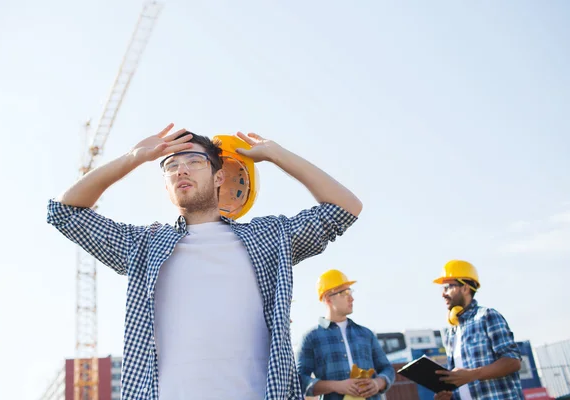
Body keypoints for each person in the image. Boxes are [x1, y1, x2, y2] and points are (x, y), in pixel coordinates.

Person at [46, 123, 362, 400]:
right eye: (171, 165)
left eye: (195, 161)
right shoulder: (144, 246)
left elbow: (345, 207)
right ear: (167, 186)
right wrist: (133, 157)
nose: (182, 169)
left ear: (218, 175)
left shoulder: (268, 238)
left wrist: (277, 155)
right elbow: (63, 212)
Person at [296, 269, 394, 399]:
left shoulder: (366, 334)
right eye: (345, 292)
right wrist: (336, 386)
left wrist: (378, 383)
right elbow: (300, 380)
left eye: (351, 291)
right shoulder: (311, 338)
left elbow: (387, 369)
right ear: (328, 298)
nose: (352, 298)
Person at [432, 260, 523, 400]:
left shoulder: (487, 316)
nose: (443, 294)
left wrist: (473, 374)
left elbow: (513, 361)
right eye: (442, 288)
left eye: (448, 286)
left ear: (465, 288)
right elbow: (459, 382)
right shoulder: (451, 333)